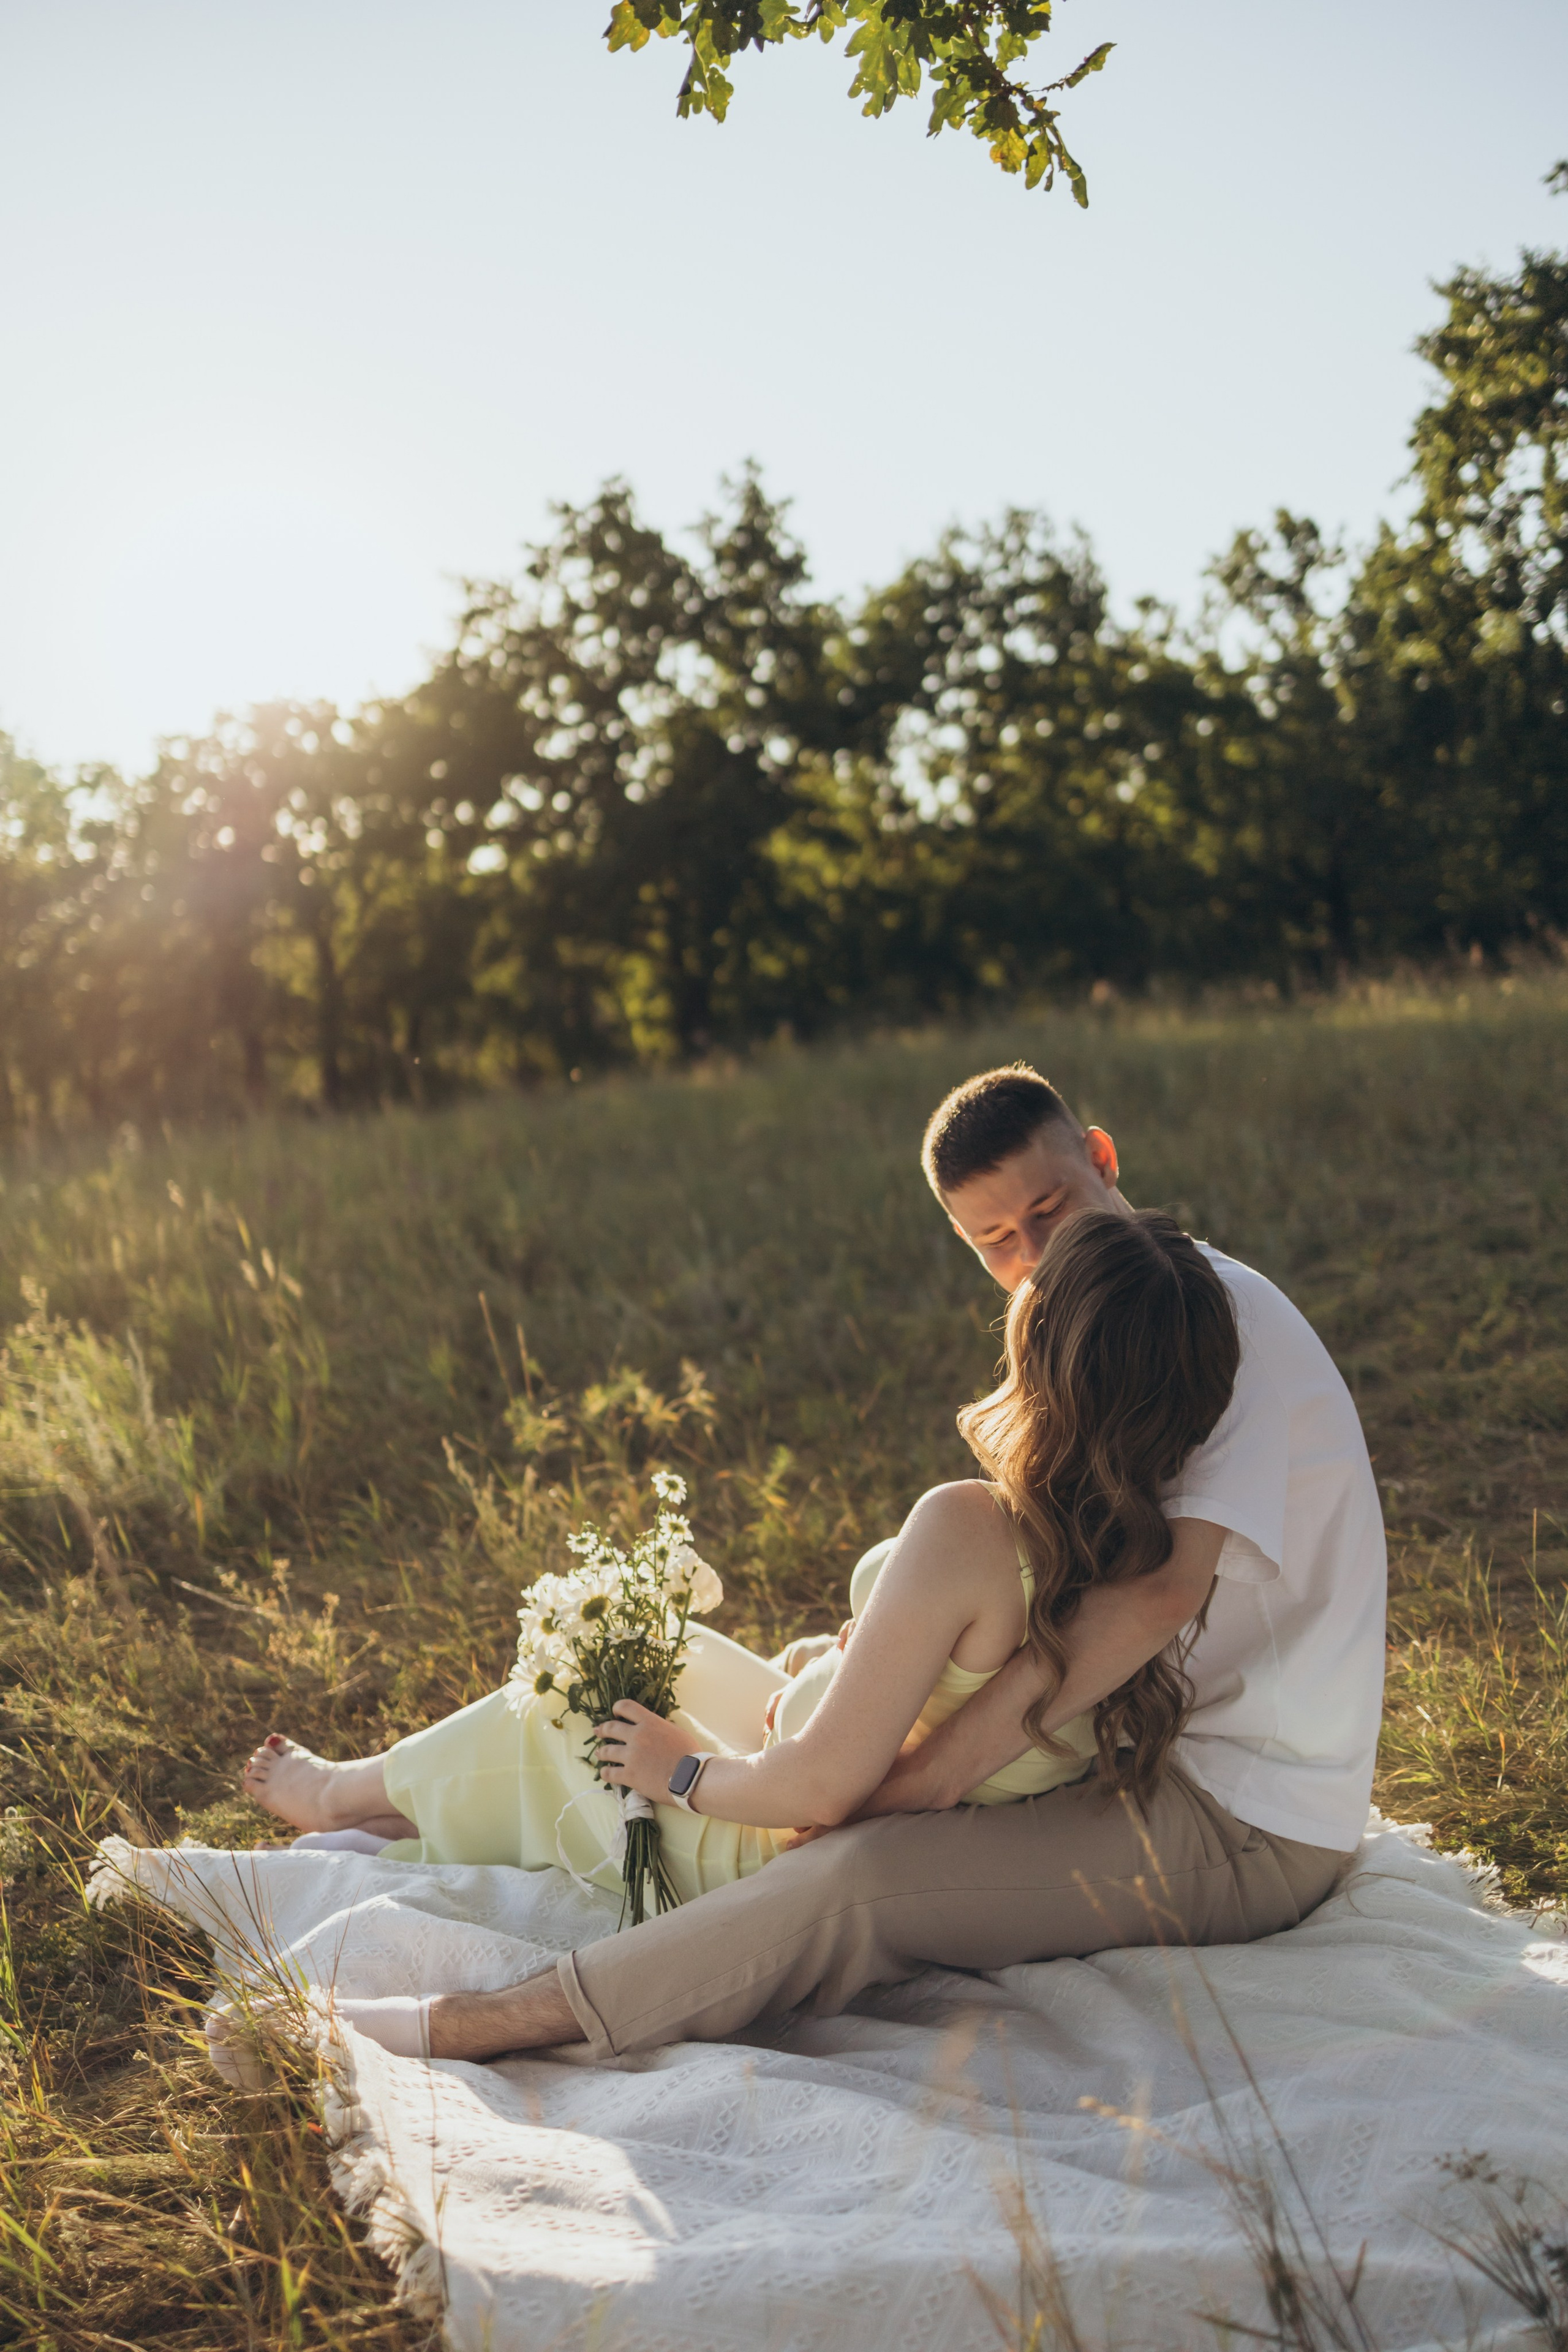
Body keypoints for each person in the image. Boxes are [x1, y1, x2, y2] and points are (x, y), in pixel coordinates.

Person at [238, 1065, 1386, 2068]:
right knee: (664, 1681)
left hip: (1241, 1813)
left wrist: (905, 1790)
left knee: (863, 1879)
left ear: (1102, 1160)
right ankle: (383, 1803)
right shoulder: (1114, 1309)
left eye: (1051, 1211)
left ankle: (480, 2024)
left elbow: (1154, 1594)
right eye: (997, 1243)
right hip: (1124, 1738)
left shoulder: (1204, 1317)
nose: (1031, 1258)